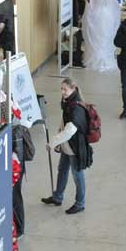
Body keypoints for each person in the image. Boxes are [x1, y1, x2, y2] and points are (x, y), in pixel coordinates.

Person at [41, 78, 92, 214]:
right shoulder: (69, 103)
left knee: (77, 175)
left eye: (65, 89)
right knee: (62, 169)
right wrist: (59, 140)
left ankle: (80, 203)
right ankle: (58, 197)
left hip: (75, 147)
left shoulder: (76, 108)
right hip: (67, 144)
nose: (63, 92)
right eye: (61, 89)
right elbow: (64, 122)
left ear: (73, 89)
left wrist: (53, 142)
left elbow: (70, 130)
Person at [81, 0, 122, 71]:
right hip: (108, 18)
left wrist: (86, 0)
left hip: (97, 18)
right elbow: (116, 7)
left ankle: (96, 57)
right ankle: (106, 57)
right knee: (107, 36)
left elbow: (90, 6)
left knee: (97, 37)